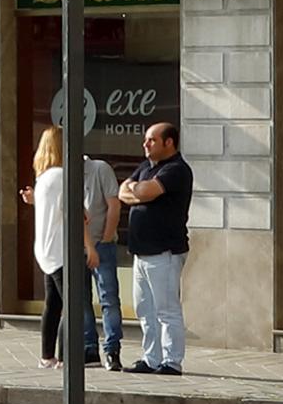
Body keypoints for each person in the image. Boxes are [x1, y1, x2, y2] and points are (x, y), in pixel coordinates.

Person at [28, 122, 114, 366]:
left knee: (53, 305)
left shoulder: (43, 179)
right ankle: (67, 358)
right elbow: (75, 215)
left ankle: (47, 356)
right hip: (64, 250)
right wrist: (90, 247)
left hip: (46, 251)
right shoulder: (65, 177)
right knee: (73, 306)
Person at [113, 116, 195, 373]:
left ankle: (172, 362)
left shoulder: (176, 169)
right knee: (144, 309)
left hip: (164, 251)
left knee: (166, 309)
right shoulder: (146, 167)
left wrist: (139, 192)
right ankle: (151, 359)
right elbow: (122, 192)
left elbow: (145, 192)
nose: (145, 144)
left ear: (168, 142)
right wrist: (138, 190)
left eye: (152, 140)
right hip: (141, 252)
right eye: (146, 139)